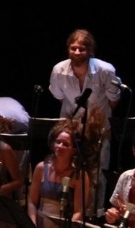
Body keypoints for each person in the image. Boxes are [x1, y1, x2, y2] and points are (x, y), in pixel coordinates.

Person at [49, 29, 121, 215]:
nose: (77, 52)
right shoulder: (59, 70)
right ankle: (67, 211)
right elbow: (59, 97)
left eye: (81, 49)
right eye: (73, 48)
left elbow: (113, 100)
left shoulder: (105, 70)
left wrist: (96, 120)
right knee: (68, 169)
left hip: (99, 129)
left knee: (97, 174)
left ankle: (93, 215)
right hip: (71, 129)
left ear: (90, 51)